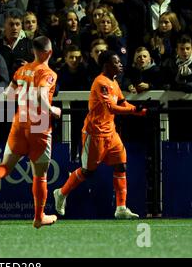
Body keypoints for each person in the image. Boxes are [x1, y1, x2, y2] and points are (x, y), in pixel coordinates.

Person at [0, 35, 61, 229]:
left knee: (4, 166)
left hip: (20, 121)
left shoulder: (21, 70)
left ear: (33, 51)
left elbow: (8, 97)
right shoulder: (48, 72)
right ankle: (38, 217)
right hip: (39, 124)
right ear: (50, 52)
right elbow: (43, 94)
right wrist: (52, 110)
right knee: (40, 175)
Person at [53, 50, 147, 220]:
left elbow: (121, 102)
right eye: (116, 62)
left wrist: (138, 109)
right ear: (107, 65)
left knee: (121, 166)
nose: (120, 64)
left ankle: (121, 208)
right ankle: (61, 193)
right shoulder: (100, 82)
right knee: (87, 171)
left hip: (111, 132)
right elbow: (111, 108)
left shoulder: (114, 82)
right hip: (95, 134)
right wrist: (134, 110)